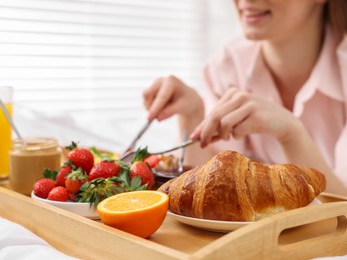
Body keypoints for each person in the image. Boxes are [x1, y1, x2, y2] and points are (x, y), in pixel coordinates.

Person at [142, 0, 347, 195]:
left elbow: (341, 214)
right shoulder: (226, 66)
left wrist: (291, 133)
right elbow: (216, 189)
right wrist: (192, 115)